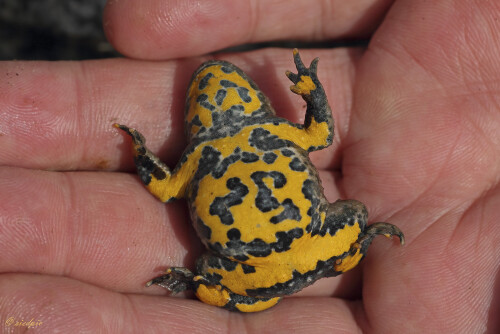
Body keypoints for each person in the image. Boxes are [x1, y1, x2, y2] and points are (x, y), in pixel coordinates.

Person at [1, 0, 498, 332]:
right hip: (314, 248)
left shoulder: (198, 155)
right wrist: (310, 94)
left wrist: (141, 152)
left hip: (254, 275)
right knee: (356, 215)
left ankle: (194, 285)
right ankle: (354, 247)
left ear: (198, 119)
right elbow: (321, 134)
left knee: (203, 274)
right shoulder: (274, 130)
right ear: (256, 100)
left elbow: (165, 187)